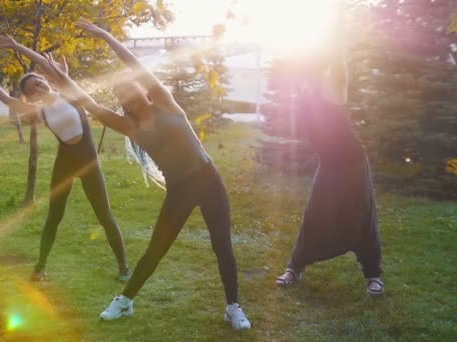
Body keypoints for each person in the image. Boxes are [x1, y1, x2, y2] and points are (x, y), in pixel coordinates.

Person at [41, 19, 251, 330]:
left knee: (222, 244)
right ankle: (125, 301)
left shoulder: (166, 102)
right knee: (156, 248)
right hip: (179, 189)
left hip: (208, 180)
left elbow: (133, 62)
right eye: (121, 93)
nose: (128, 93)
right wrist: (61, 78)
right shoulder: (131, 127)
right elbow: (91, 105)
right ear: (123, 102)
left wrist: (105, 36)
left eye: (130, 86)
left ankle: (233, 307)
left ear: (142, 87)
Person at [0, 37, 130, 283]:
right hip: (65, 165)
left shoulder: (68, 93)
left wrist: (17, 46)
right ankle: (40, 267)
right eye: (32, 89)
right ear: (30, 97)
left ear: (46, 81)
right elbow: (8, 100)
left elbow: (45, 64)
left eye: (39, 82)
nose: (38, 87)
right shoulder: (40, 110)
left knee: (104, 215)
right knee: (54, 216)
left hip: (88, 163)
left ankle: (123, 266)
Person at [274, 6, 384, 296]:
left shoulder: (335, 86)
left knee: (361, 215)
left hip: (351, 161)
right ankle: (295, 267)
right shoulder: (307, 89)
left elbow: (339, 58)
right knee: (315, 214)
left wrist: (337, 20)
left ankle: (373, 275)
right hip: (329, 162)